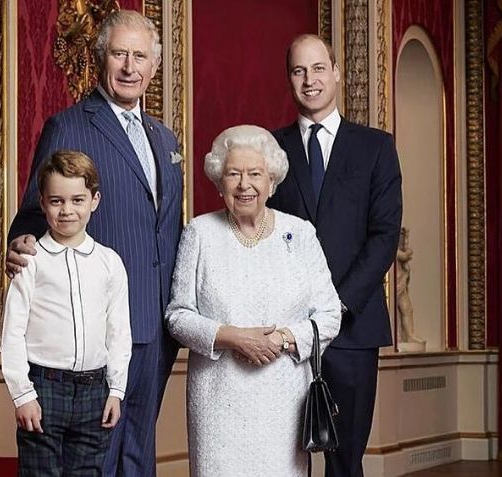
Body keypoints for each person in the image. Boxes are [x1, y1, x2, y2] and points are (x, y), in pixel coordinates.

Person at [5, 10, 183, 476]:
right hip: (100, 324)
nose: (129, 66)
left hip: (158, 324)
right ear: (102, 57)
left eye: (140, 56)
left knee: (139, 453)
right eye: (120, 53)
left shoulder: (165, 138)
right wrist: (20, 244)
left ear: (154, 66)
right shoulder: (69, 126)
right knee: (98, 459)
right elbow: (30, 211)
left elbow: (166, 228)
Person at [165, 125, 341, 477]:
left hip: (284, 398)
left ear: (271, 181)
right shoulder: (199, 233)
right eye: (233, 174)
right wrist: (233, 337)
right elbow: (177, 315)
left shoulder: (301, 233)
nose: (244, 184)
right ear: (219, 182)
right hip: (218, 398)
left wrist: (281, 338)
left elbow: (330, 314)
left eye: (255, 174)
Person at [266, 34, 403, 477]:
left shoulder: (376, 148)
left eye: (319, 68)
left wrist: (338, 306)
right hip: (285, 330)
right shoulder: (270, 149)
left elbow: (384, 236)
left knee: (345, 460)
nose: (310, 80)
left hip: (353, 328)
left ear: (337, 72)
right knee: (283, 457)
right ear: (289, 79)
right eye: (299, 71)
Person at [0, 151, 133, 476]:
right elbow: (12, 334)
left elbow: (118, 333)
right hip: (43, 387)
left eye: (77, 199)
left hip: (94, 391)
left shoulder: (110, 262)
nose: (67, 210)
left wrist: (116, 390)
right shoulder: (30, 260)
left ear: (94, 200)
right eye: (57, 201)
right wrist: (22, 395)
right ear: (43, 203)